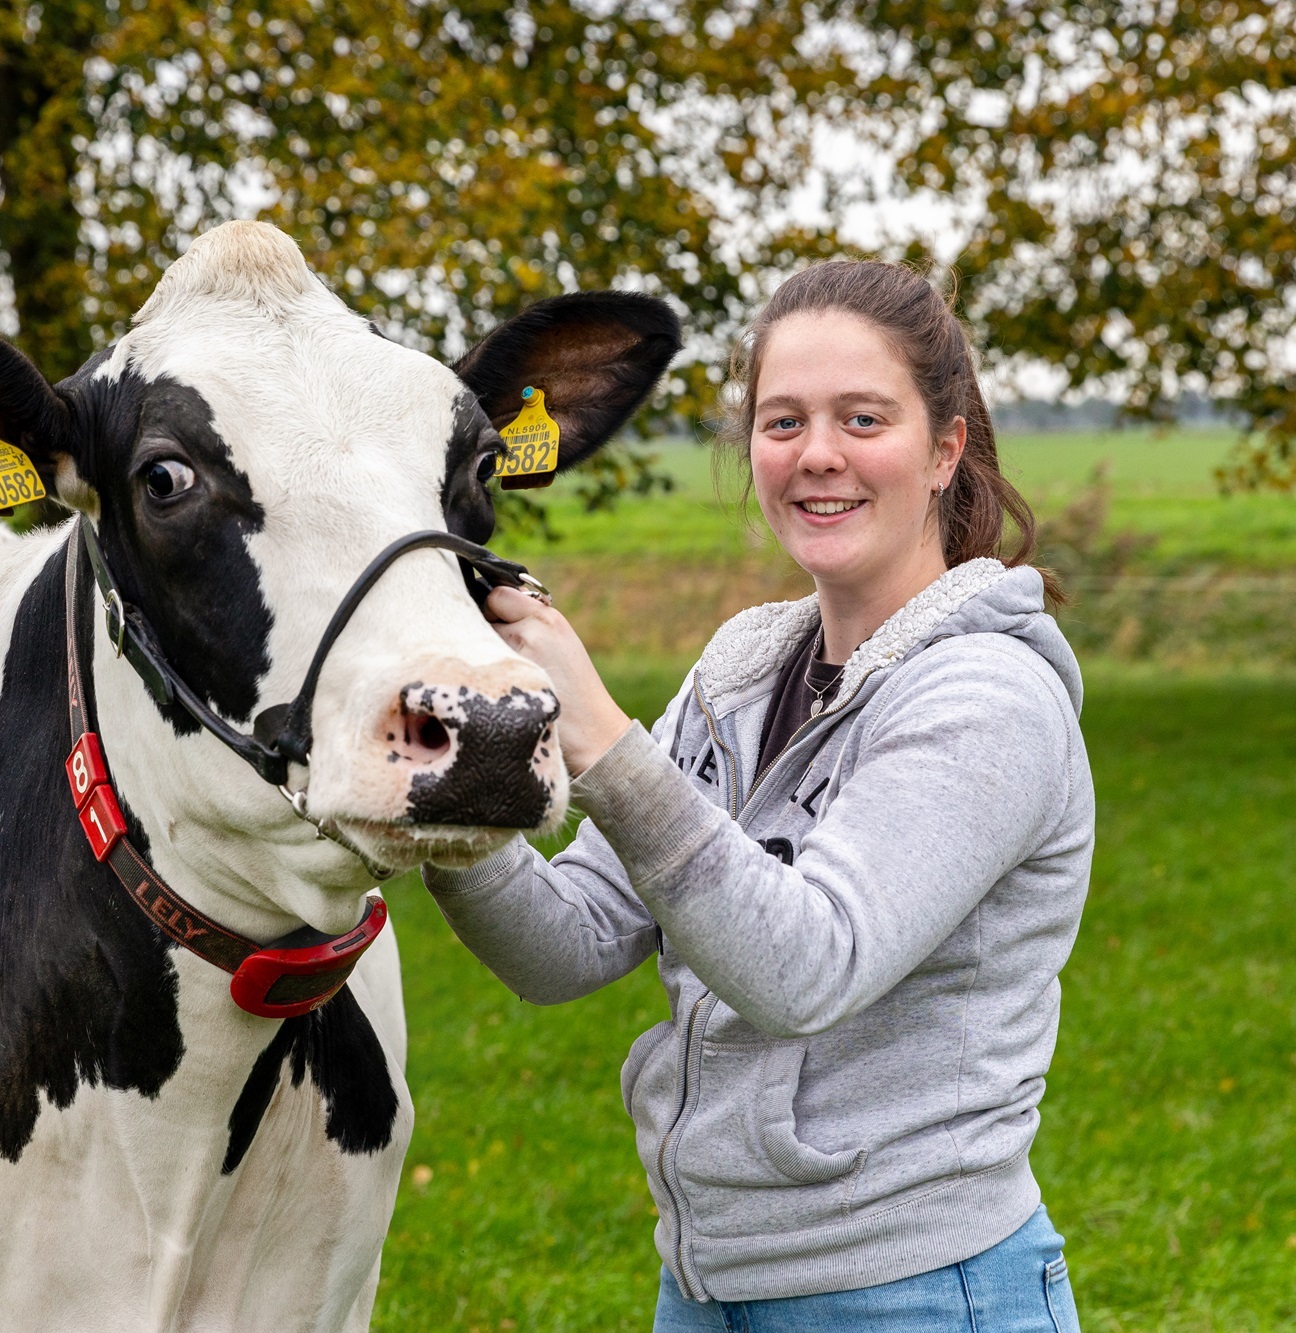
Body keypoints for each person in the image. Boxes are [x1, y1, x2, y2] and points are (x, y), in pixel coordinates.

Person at [424, 260, 1093, 1332]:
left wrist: (597, 736)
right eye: (782, 421)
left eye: (861, 417)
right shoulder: (741, 672)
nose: (815, 454)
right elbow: (567, 943)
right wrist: (450, 781)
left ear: (942, 450)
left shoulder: (988, 694)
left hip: (908, 1292)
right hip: (704, 1289)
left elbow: (805, 965)